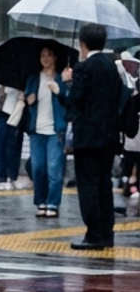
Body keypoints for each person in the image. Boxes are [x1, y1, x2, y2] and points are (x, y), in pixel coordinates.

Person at [62, 23, 122, 250]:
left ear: (82, 43)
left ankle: (93, 234)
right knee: (104, 184)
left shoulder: (83, 68)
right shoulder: (111, 66)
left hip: (87, 138)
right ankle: (107, 234)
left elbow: (74, 103)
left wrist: (67, 83)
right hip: (109, 136)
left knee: (88, 185)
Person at [24, 47, 69, 218]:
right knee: (37, 169)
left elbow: (68, 99)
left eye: (49, 55)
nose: (45, 58)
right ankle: (40, 202)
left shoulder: (61, 78)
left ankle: (53, 203)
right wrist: (29, 98)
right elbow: (28, 99)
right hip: (36, 130)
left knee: (54, 168)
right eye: (42, 55)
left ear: (55, 58)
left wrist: (59, 90)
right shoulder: (34, 78)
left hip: (55, 130)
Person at [0, 83, 26, 190]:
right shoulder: (6, 79)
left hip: (18, 111)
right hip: (5, 111)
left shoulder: (24, 78)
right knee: (1, 145)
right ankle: (1, 178)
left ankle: (12, 177)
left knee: (15, 146)